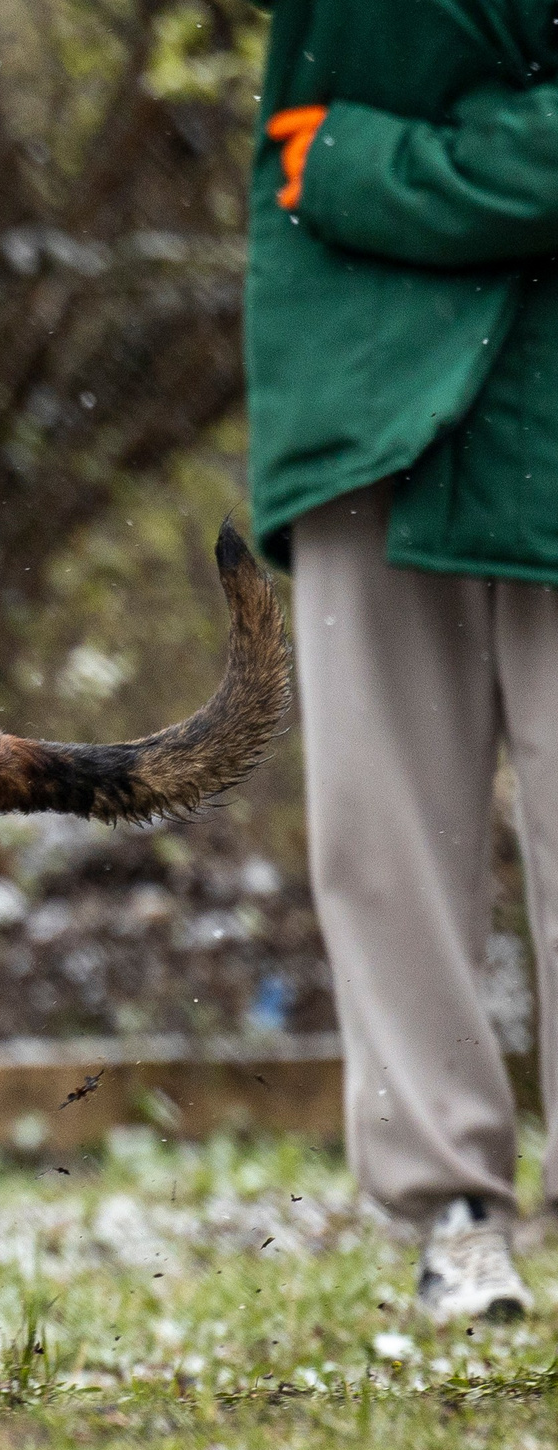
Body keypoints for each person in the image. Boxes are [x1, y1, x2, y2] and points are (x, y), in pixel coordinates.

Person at [246, 1, 558, 1322]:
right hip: (370, 411)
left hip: (520, 404)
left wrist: (382, 166)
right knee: (384, 841)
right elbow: (286, 151)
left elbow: (324, 155)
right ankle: (452, 1212)